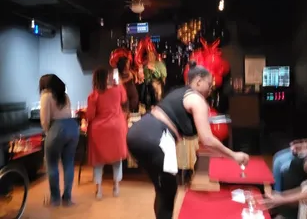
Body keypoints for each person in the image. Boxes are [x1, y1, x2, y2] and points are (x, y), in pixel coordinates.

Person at [127, 60, 249, 219]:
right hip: (155, 137)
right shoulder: (197, 99)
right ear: (198, 81)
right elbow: (207, 140)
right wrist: (234, 155)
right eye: (209, 84)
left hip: (138, 133)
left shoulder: (179, 92)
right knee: (168, 191)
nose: (211, 88)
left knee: (164, 189)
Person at [86, 67, 128, 199]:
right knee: (117, 159)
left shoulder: (93, 96)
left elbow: (90, 115)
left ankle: (98, 190)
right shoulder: (119, 89)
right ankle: (116, 187)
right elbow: (124, 100)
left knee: (98, 161)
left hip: (99, 130)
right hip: (117, 127)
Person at [39, 74, 79, 207]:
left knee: (52, 164)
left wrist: (48, 133)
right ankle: (67, 198)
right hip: (72, 128)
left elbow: (45, 119)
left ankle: (55, 199)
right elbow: (69, 112)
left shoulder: (46, 95)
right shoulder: (65, 96)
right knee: (68, 163)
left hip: (57, 129)